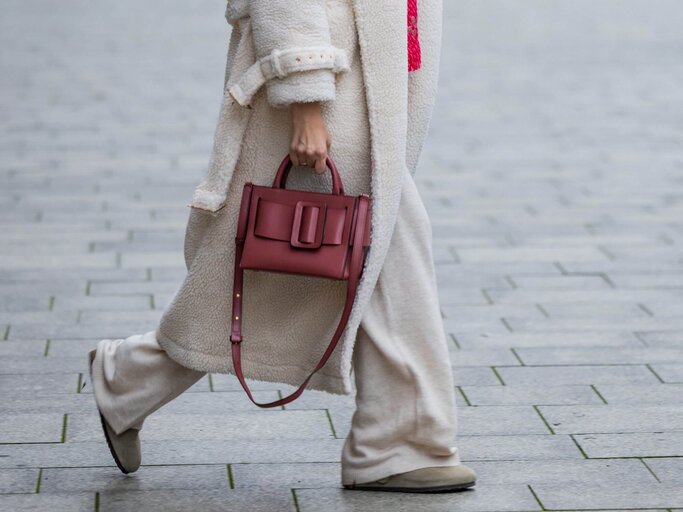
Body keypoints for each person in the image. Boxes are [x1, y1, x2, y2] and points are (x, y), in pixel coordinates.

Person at [87, 0, 478, 493]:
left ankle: (128, 380)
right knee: (359, 262)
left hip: (367, 89)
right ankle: (398, 444)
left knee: (347, 268)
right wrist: (306, 99)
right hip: (330, 96)